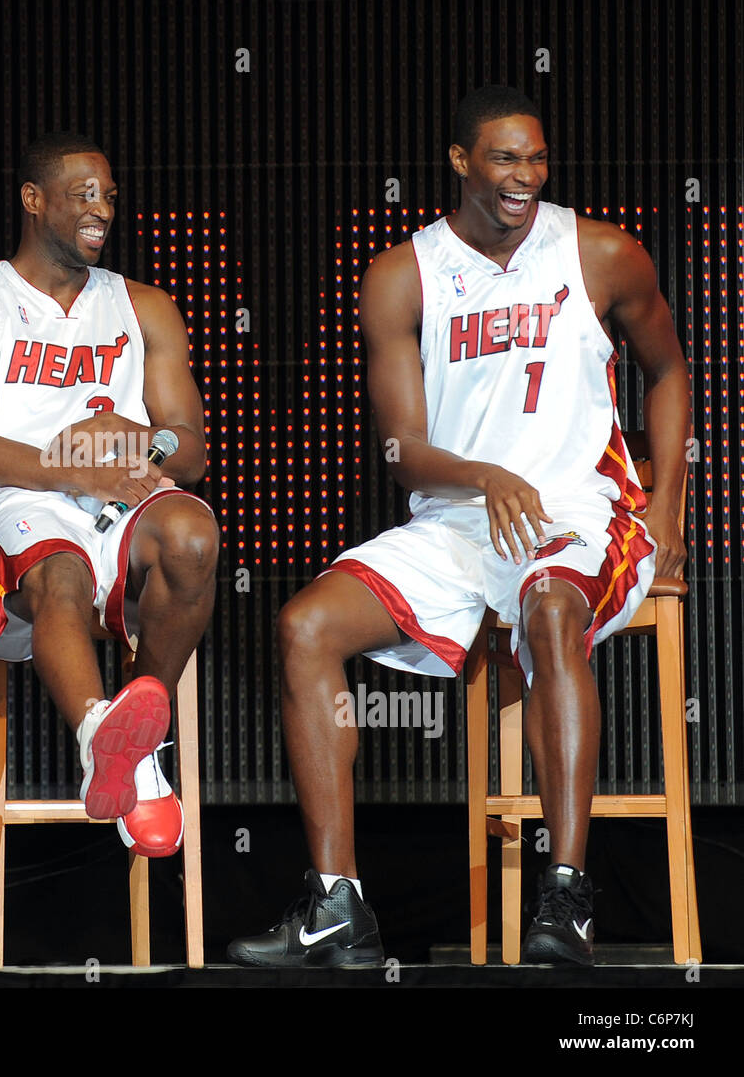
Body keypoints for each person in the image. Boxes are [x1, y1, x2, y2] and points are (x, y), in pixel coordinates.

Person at [228, 86, 689, 966]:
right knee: (304, 626)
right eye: (507, 159)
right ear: (462, 163)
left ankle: (566, 897)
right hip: (456, 520)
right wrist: (481, 476)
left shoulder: (600, 253)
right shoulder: (404, 274)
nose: (526, 176)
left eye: (537, 159)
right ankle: (336, 906)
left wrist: (667, 506)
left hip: (580, 514)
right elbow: (402, 446)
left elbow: (667, 370)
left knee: (551, 608)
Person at [0, 133, 218, 856]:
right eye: (85, 195)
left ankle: (132, 742)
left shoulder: (144, 306)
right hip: (7, 498)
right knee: (62, 572)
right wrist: (77, 469)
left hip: (116, 501)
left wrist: (143, 442)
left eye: (110, 198)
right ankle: (106, 739)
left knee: (193, 535)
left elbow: (192, 449)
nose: (103, 210)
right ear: (33, 200)